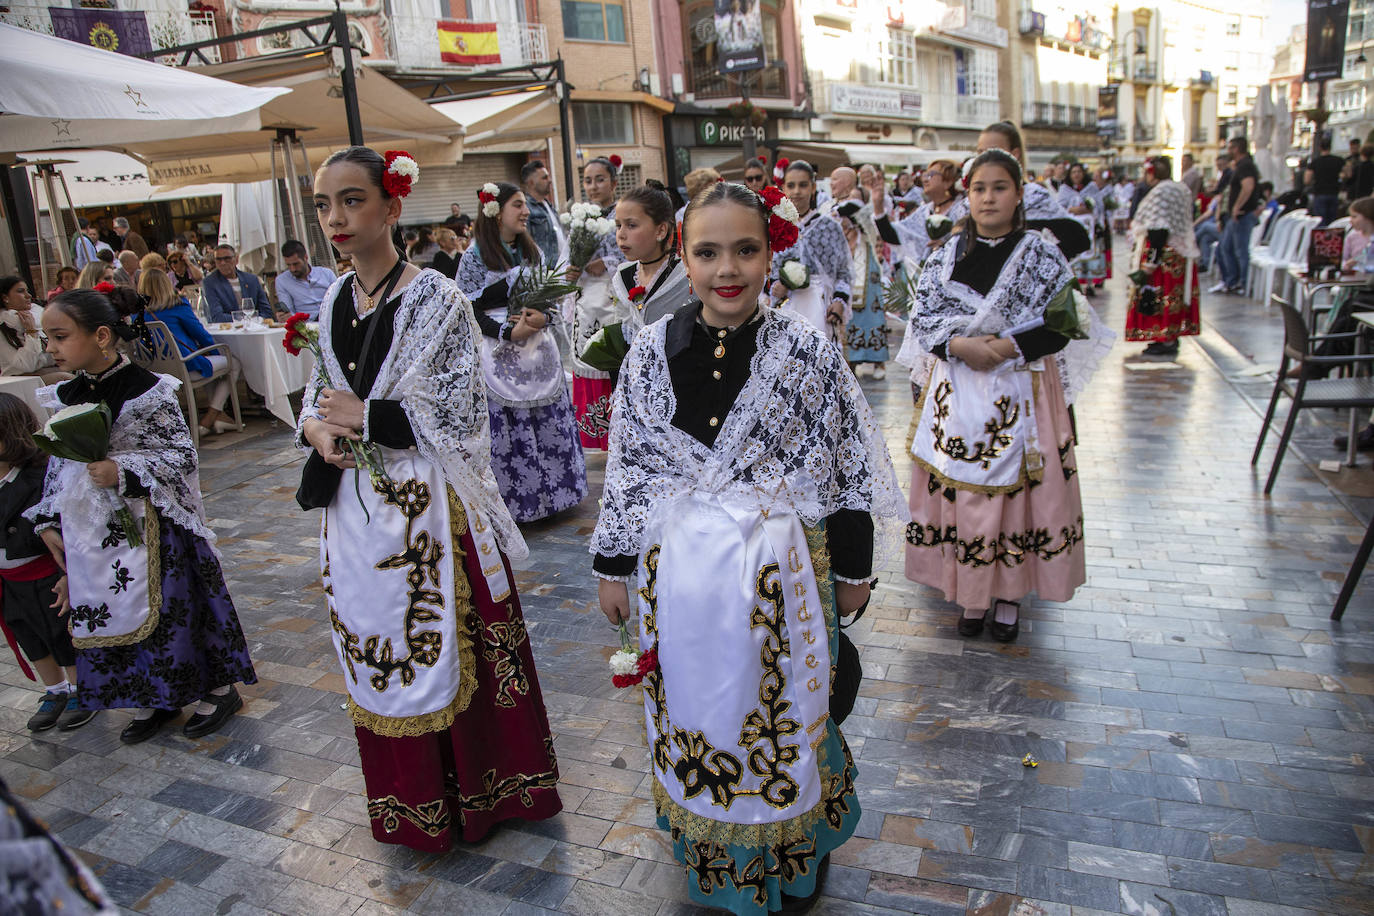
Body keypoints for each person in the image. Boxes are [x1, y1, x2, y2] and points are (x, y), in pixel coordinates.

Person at [592, 180, 906, 916]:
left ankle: (791, 857)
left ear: (773, 256)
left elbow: (845, 468)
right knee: (701, 714)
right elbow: (630, 465)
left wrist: (855, 571)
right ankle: (714, 847)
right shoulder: (649, 351)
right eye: (707, 252)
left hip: (781, 580)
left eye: (745, 249)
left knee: (782, 718)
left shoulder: (806, 355)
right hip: (681, 584)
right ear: (684, 255)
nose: (726, 268)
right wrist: (612, 563)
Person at [298, 146, 561, 851]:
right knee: (380, 641)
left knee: (446, 639)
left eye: (352, 200)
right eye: (324, 204)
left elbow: (460, 410)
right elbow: (316, 391)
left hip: (429, 505)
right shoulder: (330, 298)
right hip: (356, 507)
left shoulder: (436, 297)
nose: (336, 218)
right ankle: (414, 799)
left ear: (391, 206)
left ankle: (482, 794)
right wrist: (319, 427)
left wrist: (368, 416)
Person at [897, 149, 1113, 641]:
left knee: (1017, 502)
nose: (988, 197)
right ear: (966, 197)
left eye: (999, 187)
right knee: (965, 499)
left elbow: (1063, 324)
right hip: (957, 395)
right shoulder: (945, 256)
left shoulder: (1040, 255)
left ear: (1019, 194)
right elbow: (923, 320)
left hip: (1024, 388)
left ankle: (1010, 597)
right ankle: (972, 597)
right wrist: (960, 345)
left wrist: (1006, 347)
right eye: (979, 189)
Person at [32, 286, 256, 743]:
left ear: (100, 336)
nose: (50, 348)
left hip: (154, 524)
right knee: (114, 608)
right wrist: (48, 521)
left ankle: (217, 688)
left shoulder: (150, 390)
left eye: (58, 336)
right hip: (93, 530)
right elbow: (59, 464)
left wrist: (124, 468)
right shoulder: (64, 395)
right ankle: (156, 693)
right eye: (46, 339)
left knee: (174, 607)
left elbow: (181, 456)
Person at [457, 181, 588, 523]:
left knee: (546, 423)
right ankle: (518, 503)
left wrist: (544, 316)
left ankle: (556, 495)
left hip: (537, 349)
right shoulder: (474, 257)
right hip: (499, 353)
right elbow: (465, 307)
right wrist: (507, 331)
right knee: (511, 430)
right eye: (517, 205)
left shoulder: (533, 252)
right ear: (495, 211)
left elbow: (553, 298)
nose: (526, 211)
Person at [0, 394, 92, 732]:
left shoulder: (39, 477)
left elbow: (61, 524)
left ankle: (79, 688)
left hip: (42, 571)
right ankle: (53, 689)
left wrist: (68, 574)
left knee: (59, 632)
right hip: (8, 579)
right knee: (27, 633)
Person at [568, 155, 626, 449]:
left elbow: (635, 256)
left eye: (600, 179)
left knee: (615, 362)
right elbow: (568, 261)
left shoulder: (622, 216)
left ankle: (620, 432)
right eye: (588, 180)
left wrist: (607, 262)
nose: (593, 186)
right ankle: (597, 430)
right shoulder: (580, 222)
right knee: (590, 357)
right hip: (587, 301)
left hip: (614, 298)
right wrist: (572, 269)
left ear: (614, 183)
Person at [137, 268, 238, 436]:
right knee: (233, 362)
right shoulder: (176, 305)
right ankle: (211, 416)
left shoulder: (137, 314)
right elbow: (201, 335)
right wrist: (214, 351)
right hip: (185, 367)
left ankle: (219, 416)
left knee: (212, 365)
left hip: (155, 372)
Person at [1126, 156, 1201, 357]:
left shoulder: (1161, 191)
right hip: (1179, 251)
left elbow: (1158, 227)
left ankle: (1165, 337)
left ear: (1151, 173)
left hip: (1164, 254)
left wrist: (1151, 260)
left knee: (1161, 296)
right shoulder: (1180, 188)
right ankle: (1169, 337)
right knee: (1173, 296)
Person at [770, 159, 851, 342]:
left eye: (803, 185)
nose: (797, 191)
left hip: (820, 307)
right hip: (787, 309)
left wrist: (839, 301)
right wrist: (776, 287)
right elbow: (765, 272)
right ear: (784, 189)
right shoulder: (776, 229)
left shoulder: (829, 227)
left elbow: (844, 272)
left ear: (813, 188)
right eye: (791, 185)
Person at [608, 181, 691, 345]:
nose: (621, 234)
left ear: (660, 230)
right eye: (618, 225)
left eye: (631, 225)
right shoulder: (622, 277)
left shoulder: (686, 276)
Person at [873, 159, 967, 266]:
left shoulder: (962, 210)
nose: (925, 180)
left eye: (931, 175)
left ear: (948, 181)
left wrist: (946, 245)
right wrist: (878, 205)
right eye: (925, 175)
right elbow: (894, 235)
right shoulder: (924, 212)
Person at [1216, 136, 1261, 294]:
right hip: (1237, 215)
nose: (1228, 151)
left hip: (1242, 215)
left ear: (1236, 149)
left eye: (1230, 148)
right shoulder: (1240, 166)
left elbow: (1248, 187)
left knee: (1240, 250)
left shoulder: (1245, 166)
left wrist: (1236, 206)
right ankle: (1232, 281)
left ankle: (1243, 283)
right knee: (1226, 247)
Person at [0, 277, 65, 384]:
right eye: (21, 291)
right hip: (18, 381)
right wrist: (31, 332)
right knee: (66, 378)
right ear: (5, 297)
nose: (28, 296)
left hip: (48, 371)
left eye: (28, 291)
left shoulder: (39, 317)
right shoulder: (3, 327)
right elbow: (27, 365)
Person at [201, 244, 273, 322]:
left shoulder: (252, 280)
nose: (222, 263)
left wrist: (257, 320)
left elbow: (267, 311)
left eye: (227, 259)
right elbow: (216, 316)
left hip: (255, 328)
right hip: (228, 330)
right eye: (218, 259)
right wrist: (246, 320)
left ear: (236, 259)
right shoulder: (210, 282)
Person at [274, 240, 336, 319]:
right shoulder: (282, 281)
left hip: (331, 319)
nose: (293, 269)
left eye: (296, 264)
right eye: (288, 265)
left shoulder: (326, 274)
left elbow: (339, 299)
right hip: (305, 324)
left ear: (306, 258)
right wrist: (285, 316)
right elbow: (288, 311)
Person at [521, 160, 565, 266]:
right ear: (531, 183)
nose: (549, 181)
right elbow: (525, 244)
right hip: (545, 270)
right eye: (544, 178)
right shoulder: (526, 209)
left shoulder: (549, 206)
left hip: (561, 268)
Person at [1306, 134, 1345, 226]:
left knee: (1320, 221)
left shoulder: (1315, 162)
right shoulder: (1338, 160)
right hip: (1333, 192)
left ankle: (1322, 239)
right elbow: (1346, 174)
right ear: (1330, 147)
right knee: (1332, 220)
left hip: (1320, 192)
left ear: (1320, 148)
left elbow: (1307, 179)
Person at [675, 166, 722, 239]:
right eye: (711, 189)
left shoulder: (722, 210)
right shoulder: (683, 214)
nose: (717, 192)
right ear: (697, 190)